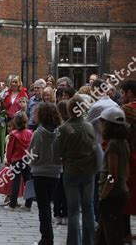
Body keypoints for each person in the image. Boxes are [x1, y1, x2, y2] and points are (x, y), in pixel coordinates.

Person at [56, 94, 98, 245]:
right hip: (88, 172)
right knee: (88, 207)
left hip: (71, 171)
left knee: (73, 209)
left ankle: (74, 242)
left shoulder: (64, 128)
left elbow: (58, 152)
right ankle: (89, 241)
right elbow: (95, 150)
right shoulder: (89, 126)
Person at [96, 107, 130, 245]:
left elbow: (112, 175)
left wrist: (103, 195)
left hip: (112, 195)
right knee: (102, 235)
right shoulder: (124, 143)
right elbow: (126, 171)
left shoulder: (113, 146)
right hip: (120, 192)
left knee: (112, 236)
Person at [29, 103, 62, 245]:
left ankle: (47, 237)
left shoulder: (39, 133)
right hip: (55, 173)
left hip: (40, 172)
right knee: (49, 204)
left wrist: (32, 165)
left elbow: (32, 155)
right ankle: (48, 236)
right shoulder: (59, 132)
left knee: (43, 207)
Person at [4, 112, 33, 211]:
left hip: (16, 160)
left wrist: (8, 160)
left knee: (15, 181)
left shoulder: (13, 134)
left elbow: (10, 149)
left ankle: (12, 204)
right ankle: (28, 204)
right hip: (27, 160)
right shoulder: (30, 133)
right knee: (28, 181)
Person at [120, 79, 136, 243]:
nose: (122, 96)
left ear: (130, 92)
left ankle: (126, 233)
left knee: (125, 196)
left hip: (129, 158)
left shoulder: (126, 110)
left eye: (123, 92)